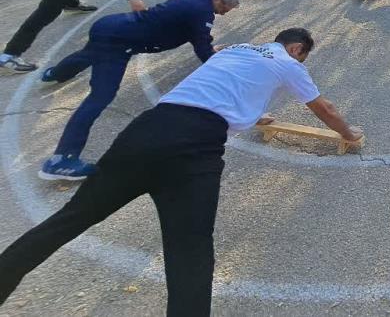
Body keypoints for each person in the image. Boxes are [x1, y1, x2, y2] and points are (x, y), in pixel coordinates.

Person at [0, 28, 364, 315]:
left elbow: (221, 88)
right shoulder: (288, 63)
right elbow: (325, 108)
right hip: (195, 148)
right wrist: (349, 134)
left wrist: (253, 115)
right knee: (189, 253)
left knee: (70, 219)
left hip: (148, 128)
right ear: (298, 48)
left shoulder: (234, 50)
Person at [36, 0, 241, 180]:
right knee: (99, 97)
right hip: (119, 42)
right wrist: (225, 71)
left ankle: (54, 73)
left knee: (90, 53)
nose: (224, 13)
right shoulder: (202, 11)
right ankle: (61, 160)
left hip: (110, 26)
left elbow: (195, 33)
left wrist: (209, 47)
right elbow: (203, 50)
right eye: (225, 7)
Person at [0, 0, 177, 74]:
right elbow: (139, 10)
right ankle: (9, 56)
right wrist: (158, 23)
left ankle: (70, 3)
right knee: (46, 13)